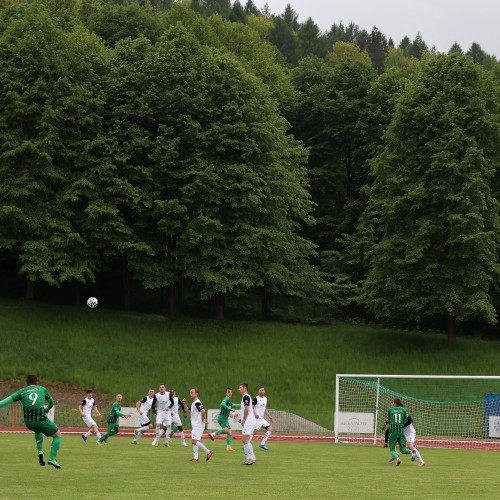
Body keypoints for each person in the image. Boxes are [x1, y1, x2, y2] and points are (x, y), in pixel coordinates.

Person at [0, 375, 62, 468]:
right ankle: (52, 459)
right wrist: (46, 409)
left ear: (27, 382)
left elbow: (3, 402)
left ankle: (40, 451)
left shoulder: (21, 391)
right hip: (41, 420)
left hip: (29, 423)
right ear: (36, 382)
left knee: (38, 430)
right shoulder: (42, 389)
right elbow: (51, 402)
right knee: (57, 435)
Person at [182, 388, 213, 462]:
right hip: (196, 424)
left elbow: (203, 411)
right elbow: (187, 411)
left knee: (194, 441)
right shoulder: (194, 403)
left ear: (196, 394)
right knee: (193, 441)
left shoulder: (197, 402)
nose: (190, 394)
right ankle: (196, 458)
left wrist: (202, 419)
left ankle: (208, 452)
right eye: (190, 392)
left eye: (192, 392)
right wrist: (185, 404)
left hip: (198, 424)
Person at [208, 387, 241, 452]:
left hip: (224, 418)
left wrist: (242, 405)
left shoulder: (229, 400)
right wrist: (230, 409)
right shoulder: (226, 398)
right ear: (226, 393)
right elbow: (222, 404)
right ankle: (213, 434)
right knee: (227, 431)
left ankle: (228, 447)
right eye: (228, 392)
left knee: (229, 432)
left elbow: (233, 404)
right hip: (222, 418)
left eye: (231, 392)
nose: (230, 393)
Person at [387, 398, 412, 465]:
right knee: (402, 450)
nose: (392, 404)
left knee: (392, 449)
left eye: (393, 403)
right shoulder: (404, 409)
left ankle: (397, 459)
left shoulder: (390, 409)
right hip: (401, 432)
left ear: (395, 403)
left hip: (393, 432)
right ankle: (413, 452)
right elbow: (404, 420)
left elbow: (389, 420)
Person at [238, 382, 256, 465]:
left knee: (245, 439)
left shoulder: (246, 397)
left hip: (248, 421)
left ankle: (251, 458)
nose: (239, 389)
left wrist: (244, 420)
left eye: (240, 387)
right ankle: (249, 458)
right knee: (244, 440)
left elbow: (247, 409)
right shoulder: (245, 397)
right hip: (248, 421)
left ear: (245, 388)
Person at [253, 386, 273, 451]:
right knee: (254, 432)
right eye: (260, 390)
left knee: (270, 428)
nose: (261, 391)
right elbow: (251, 407)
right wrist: (255, 413)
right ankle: (246, 444)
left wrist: (269, 416)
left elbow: (264, 408)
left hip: (262, 419)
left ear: (264, 391)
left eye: (262, 390)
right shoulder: (256, 398)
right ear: (258, 391)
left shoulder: (265, 399)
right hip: (257, 418)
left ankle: (262, 444)